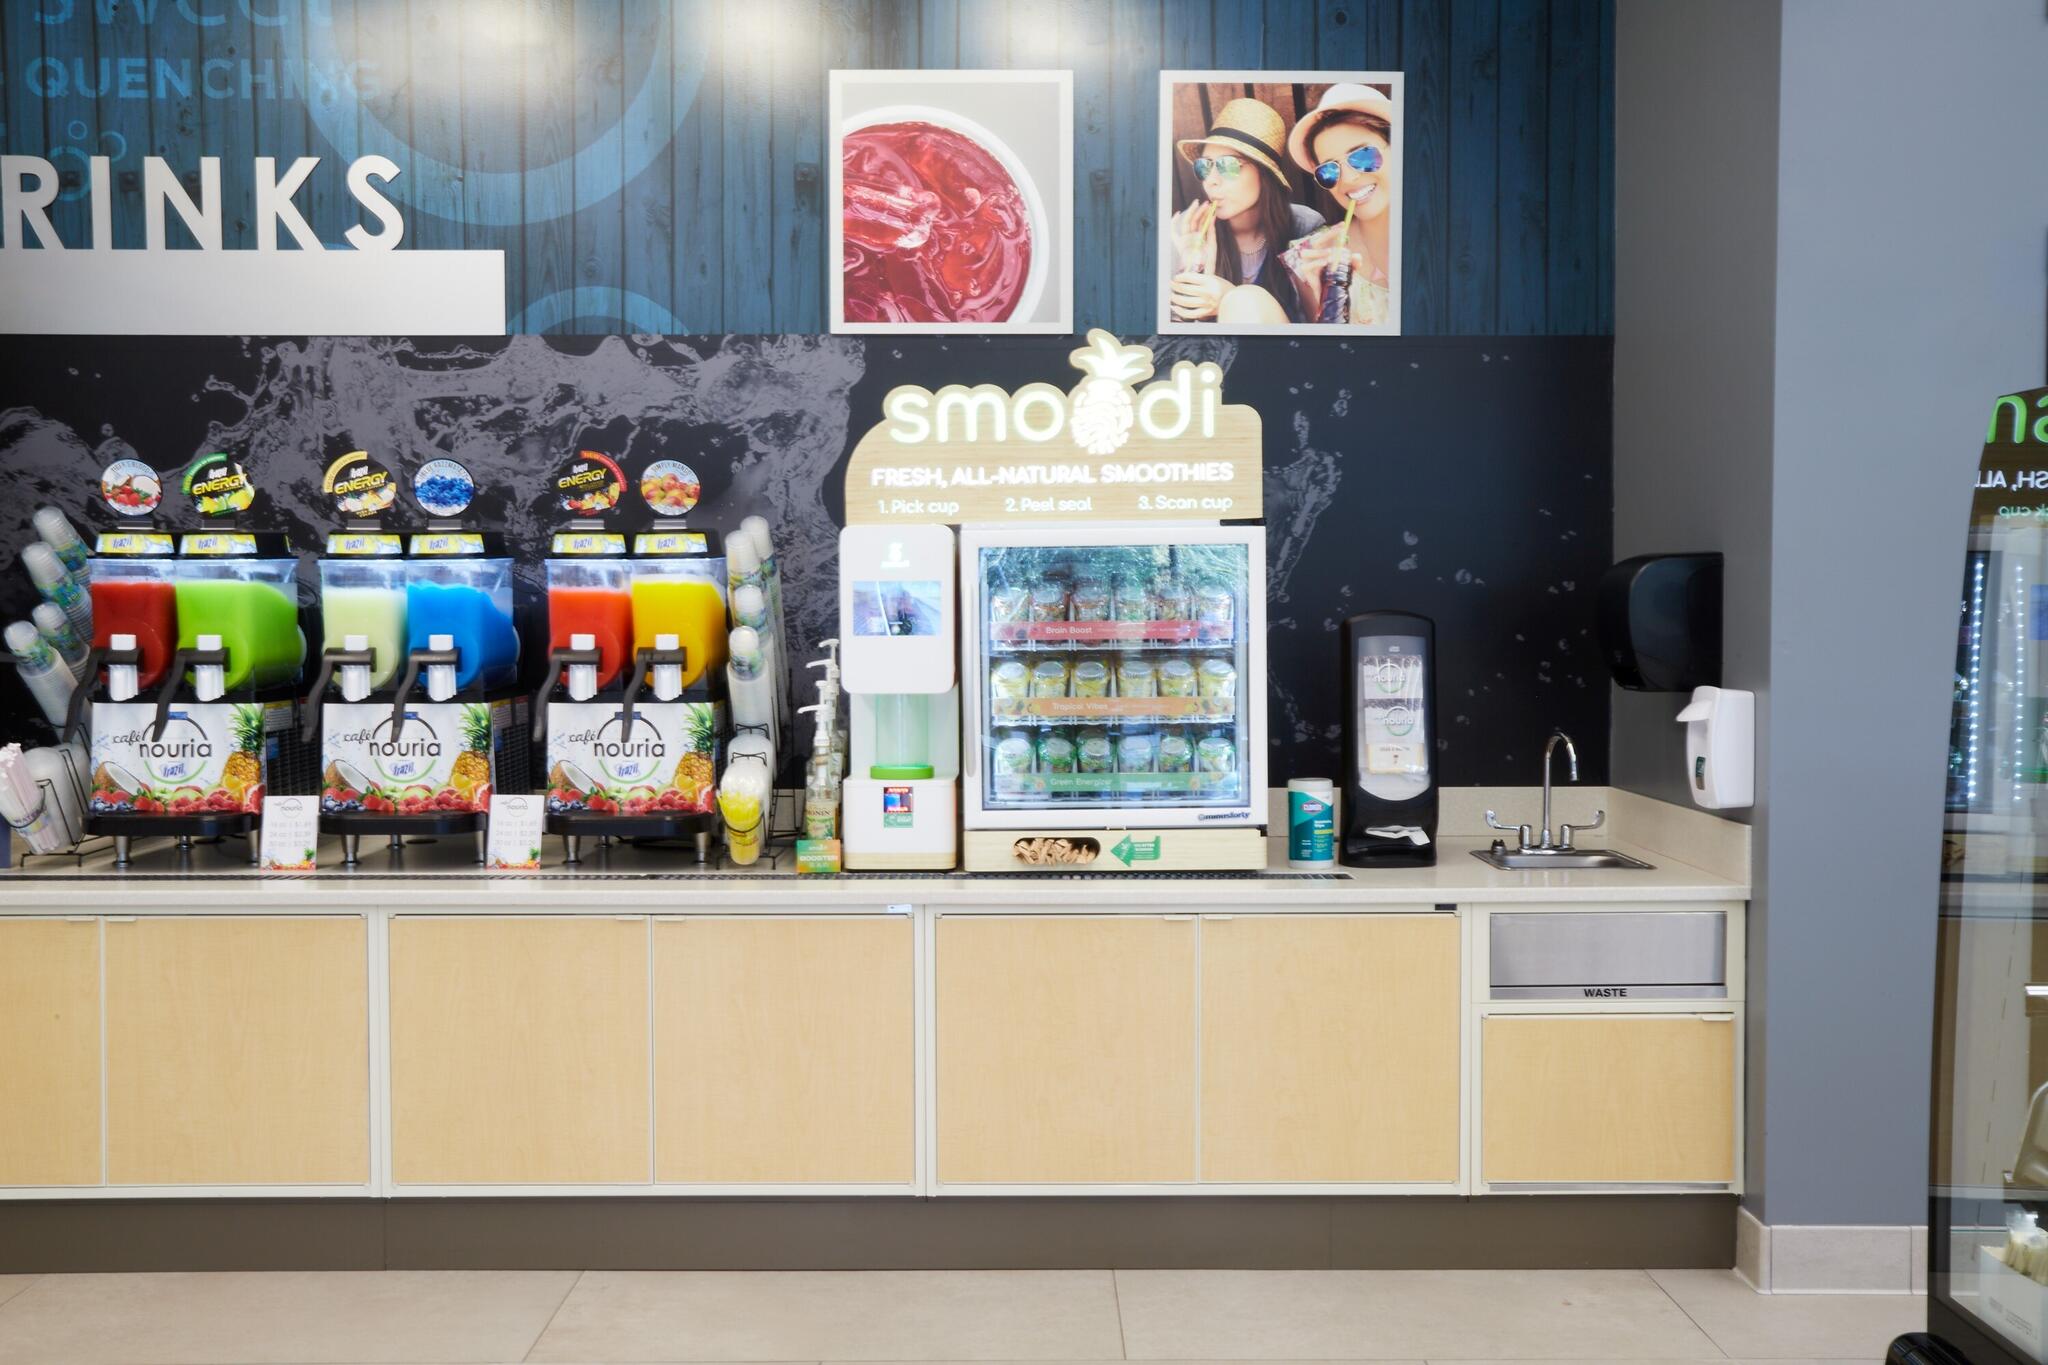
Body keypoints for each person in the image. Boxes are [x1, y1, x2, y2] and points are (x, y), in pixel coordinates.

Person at [1165, 98, 1324, 325]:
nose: (1211, 181)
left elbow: (1318, 325)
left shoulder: (1304, 226)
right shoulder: (1186, 230)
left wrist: (1228, 297)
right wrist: (1191, 269)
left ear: (1264, 173)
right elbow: (1169, 332)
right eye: (1204, 166)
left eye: (1228, 165)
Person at [1283, 83, 1398, 327]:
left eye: (1363, 156)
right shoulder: (1310, 260)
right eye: (1329, 170)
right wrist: (1325, 302)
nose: (1348, 178)